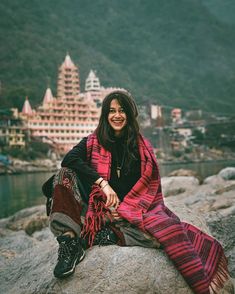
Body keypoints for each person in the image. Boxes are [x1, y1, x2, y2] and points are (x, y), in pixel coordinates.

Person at [42, 90, 230, 294]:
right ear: (105, 115)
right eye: (111, 111)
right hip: (95, 207)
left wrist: (121, 210)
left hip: (124, 210)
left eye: (122, 110)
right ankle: (69, 244)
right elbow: (68, 160)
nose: (116, 115)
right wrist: (102, 182)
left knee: (164, 232)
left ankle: (104, 235)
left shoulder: (142, 150)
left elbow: (144, 194)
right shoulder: (92, 141)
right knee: (64, 174)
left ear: (130, 115)